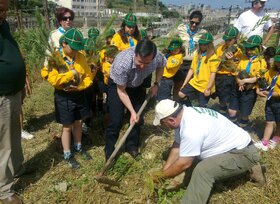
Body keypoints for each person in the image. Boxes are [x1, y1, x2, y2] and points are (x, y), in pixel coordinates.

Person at [152, 99, 265, 204]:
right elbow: (177, 145)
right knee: (192, 156)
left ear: (171, 120)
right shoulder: (185, 114)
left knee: (203, 170)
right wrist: (165, 170)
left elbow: (184, 163)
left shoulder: (191, 129)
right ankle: (252, 164)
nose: (163, 126)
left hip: (241, 152)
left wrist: (161, 177)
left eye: (162, 123)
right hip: (235, 144)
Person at [105, 39, 166, 160]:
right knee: (116, 120)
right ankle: (110, 151)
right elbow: (121, 91)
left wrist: (156, 84)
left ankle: (131, 146)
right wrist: (131, 111)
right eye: (139, 63)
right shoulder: (122, 62)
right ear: (135, 54)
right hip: (119, 86)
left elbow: (161, 66)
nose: (142, 66)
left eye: (147, 63)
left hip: (137, 85)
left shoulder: (157, 56)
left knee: (137, 118)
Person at [45, 28, 93, 169]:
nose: (75, 52)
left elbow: (89, 76)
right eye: (73, 48)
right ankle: (67, 154)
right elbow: (53, 80)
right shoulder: (55, 59)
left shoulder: (81, 57)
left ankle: (78, 146)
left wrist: (80, 86)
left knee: (78, 122)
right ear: (64, 43)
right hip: (63, 96)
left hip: (78, 94)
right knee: (67, 126)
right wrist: (70, 74)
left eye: (78, 49)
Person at [0, 0, 26, 203]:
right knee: (3, 143)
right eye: (0, 9)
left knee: (15, 131)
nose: (3, 14)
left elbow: (12, 49)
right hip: (2, 95)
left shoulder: (3, 25)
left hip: (14, 90)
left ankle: (17, 167)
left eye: (5, 10)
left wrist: (22, 75)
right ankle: (5, 190)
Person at [228, 35, 267, 129]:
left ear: (259, 48)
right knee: (231, 111)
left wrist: (244, 81)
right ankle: (231, 127)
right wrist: (239, 81)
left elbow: (258, 77)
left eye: (252, 49)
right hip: (237, 86)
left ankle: (242, 126)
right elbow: (237, 71)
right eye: (248, 49)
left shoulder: (261, 62)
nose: (249, 51)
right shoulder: (243, 58)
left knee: (244, 113)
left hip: (249, 91)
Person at [170, 10, 207, 101]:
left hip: (194, 63)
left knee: (190, 85)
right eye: (192, 22)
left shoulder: (202, 33)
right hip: (181, 61)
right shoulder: (180, 29)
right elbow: (170, 40)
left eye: (197, 23)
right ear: (189, 20)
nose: (194, 25)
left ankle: (187, 104)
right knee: (178, 83)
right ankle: (176, 102)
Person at [178, 32, 219, 107]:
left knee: (202, 106)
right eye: (201, 44)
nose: (201, 46)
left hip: (205, 85)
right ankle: (191, 107)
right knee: (181, 94)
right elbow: (191, 69)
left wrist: (208, 88)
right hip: (195, 82)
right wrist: (184, 83)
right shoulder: (197, 54)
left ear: (209, 45)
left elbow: (213, 74)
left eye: (204, 44)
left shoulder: (214, 57)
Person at [255, 52, 280, 151]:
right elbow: (263, 79)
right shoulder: (272, 71)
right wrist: (259, 89)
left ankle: (275, 139)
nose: (278, 64)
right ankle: (264, 141)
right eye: (277, 61)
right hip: (270, 101)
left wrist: (269, 93)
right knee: (269, 121)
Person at [215, 26, 243, 114]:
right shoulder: (220, 48)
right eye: (226, 40)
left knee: (227, 96)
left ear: (235, 39)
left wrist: (230, 60)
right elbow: (216, 62)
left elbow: (236, 67)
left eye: (229, 40)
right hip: (219, 75)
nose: (227, 42)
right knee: (220, 94)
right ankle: (222, 108)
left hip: (228, 77)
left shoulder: (237, 51)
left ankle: (226, 112)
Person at [42, 7, 75, 79]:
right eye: (65, 18)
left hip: (74, 69)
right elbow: (49, 52)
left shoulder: (75, 34)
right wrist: (46, 68)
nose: (68, 20)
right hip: (60, 70)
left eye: (70, 18)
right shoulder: (54, 35)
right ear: (60, 21)